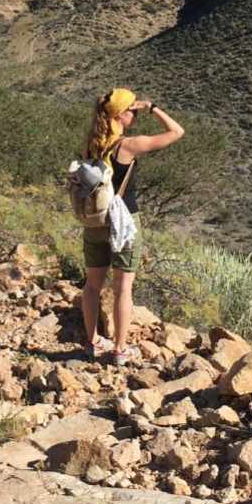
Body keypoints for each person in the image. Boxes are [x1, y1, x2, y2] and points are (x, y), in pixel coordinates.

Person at [80, 87, 184, 365]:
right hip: (124, 222)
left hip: (95, 221)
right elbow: (177, 132)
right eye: (132, 111)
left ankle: (92, 343)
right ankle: (120, 349)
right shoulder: (127, 145)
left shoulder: (92, 143)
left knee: (92, 285)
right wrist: (153, 107)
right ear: (120, 115)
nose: (135, 115)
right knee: (123, 288)